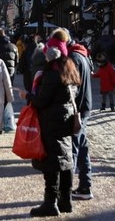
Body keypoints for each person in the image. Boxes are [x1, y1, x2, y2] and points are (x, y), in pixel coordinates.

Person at [20, 35, 81, 216]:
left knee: (52, 163)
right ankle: (65, 201)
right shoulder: (69, 69)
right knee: (65, 160)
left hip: (51, 121)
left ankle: (50, 203)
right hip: (66, 119)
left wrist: (27, 96)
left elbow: (42, 100)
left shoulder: (52, 73)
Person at [68, 35, 94, 201]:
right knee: (82, 147)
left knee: (73, 149)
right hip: (85, 106)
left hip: (77, 109)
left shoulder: (73, 58)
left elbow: (72, 88)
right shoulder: (82, 54)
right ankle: (85, 185)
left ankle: (66, 190)